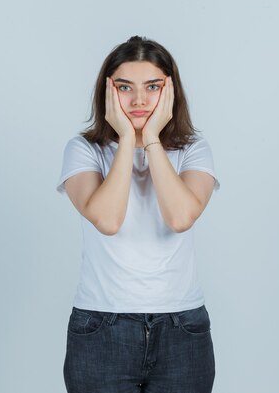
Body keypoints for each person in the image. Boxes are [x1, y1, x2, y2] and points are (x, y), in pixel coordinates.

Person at [56, 35, 221, 393]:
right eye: (125, 87)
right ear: (108, 91)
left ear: (170, 91)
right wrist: (127, 138)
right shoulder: (84, 150)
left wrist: (152, 140)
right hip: (101, 327)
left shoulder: (194, 150)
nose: (140, 100)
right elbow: (108, 220)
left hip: (182, 328)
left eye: (152, 86)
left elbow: (180, 218)